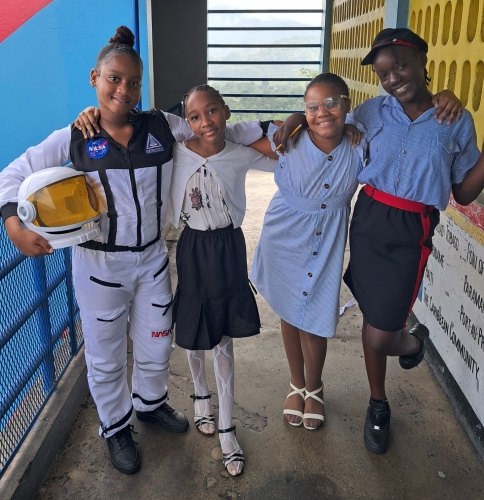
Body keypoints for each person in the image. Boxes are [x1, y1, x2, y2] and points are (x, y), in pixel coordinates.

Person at [0, 26, 266, 475]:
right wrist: (14, 225)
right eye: (114, 79)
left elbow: (213, 128)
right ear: (95, 78)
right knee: (105, 356)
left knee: (157, 345)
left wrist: (281, 127)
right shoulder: (75, 136)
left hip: (152, 260)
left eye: (133, 82)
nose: (123, 90)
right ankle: (115, 426)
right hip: (99, 265)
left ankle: (149, 403)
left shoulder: (162, 126)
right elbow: (12, 174)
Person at [339, 28, 484, 454]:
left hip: (411, 229)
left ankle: (413, 341)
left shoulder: (454, 120)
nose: (393, 79)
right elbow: (329, 128)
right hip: (368, 219)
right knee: (373, 316)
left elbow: (463, 193)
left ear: (422, 59)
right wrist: (298, 119)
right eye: (383, 74)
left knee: (382, 335)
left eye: (400, 66)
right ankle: (378, 403)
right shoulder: (372, 111)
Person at [166, 84, 277, 476]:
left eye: (212, 111)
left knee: (224, 336)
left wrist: (282, 126)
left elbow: (285, 152)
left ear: (226, 111)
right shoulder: (176, 152)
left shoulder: (240, 153)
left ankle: (227, 428)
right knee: (194, 324)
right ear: (187, 122)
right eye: (195, 116)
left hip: (229, 247)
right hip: (193, 247)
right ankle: (200, 395)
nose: (205, 122)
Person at [251, 73, 367, 431]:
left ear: (347, 105)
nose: (323, 112)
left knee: (316, 312)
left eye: (332, 103)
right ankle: (296, 383)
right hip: (284, 234)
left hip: (327, 236)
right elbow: (236, 134)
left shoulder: (360, 142)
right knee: (290, 310)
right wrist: (294, 119)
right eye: (312, 107)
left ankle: (314, 387)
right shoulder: (289, 140)